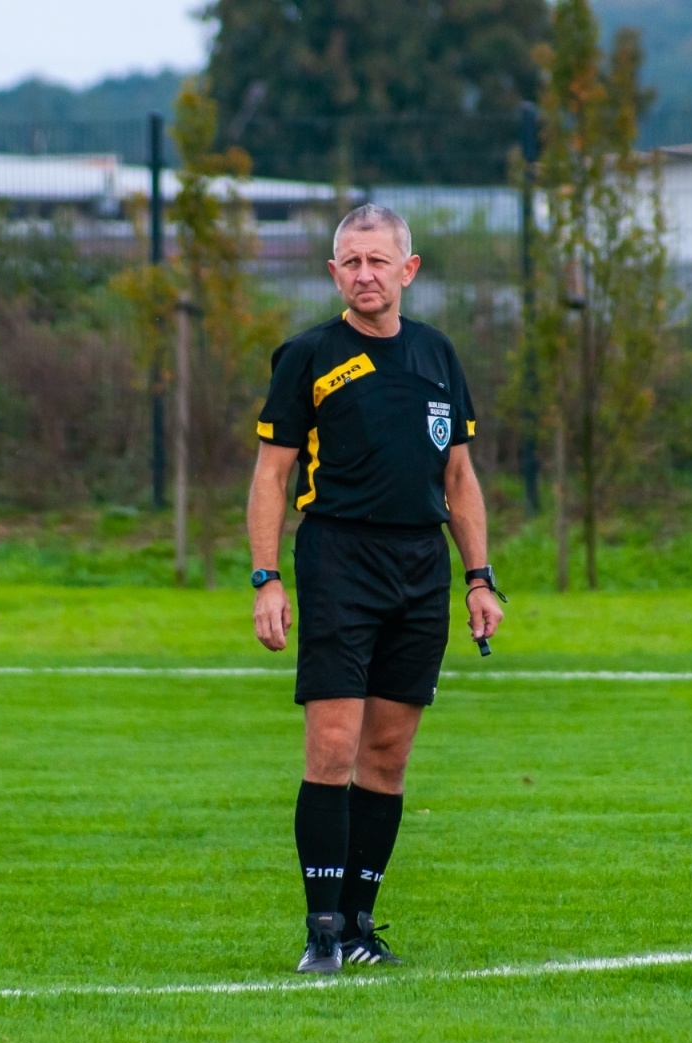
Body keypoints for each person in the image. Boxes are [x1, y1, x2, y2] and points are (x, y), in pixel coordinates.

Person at [246, 204, 507, 973]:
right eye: (350, 262)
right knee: (331, 748)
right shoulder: (308, 356)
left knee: (387, 757)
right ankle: (321, 931)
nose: (365, 274)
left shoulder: (437, 355)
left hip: (421, 570)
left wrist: (479, 577)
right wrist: (266, 578)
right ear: (334, 273)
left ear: (408, 270)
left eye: (378, 261)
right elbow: (271, 474)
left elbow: (458, 476)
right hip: (338, 560)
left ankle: (360, 926)